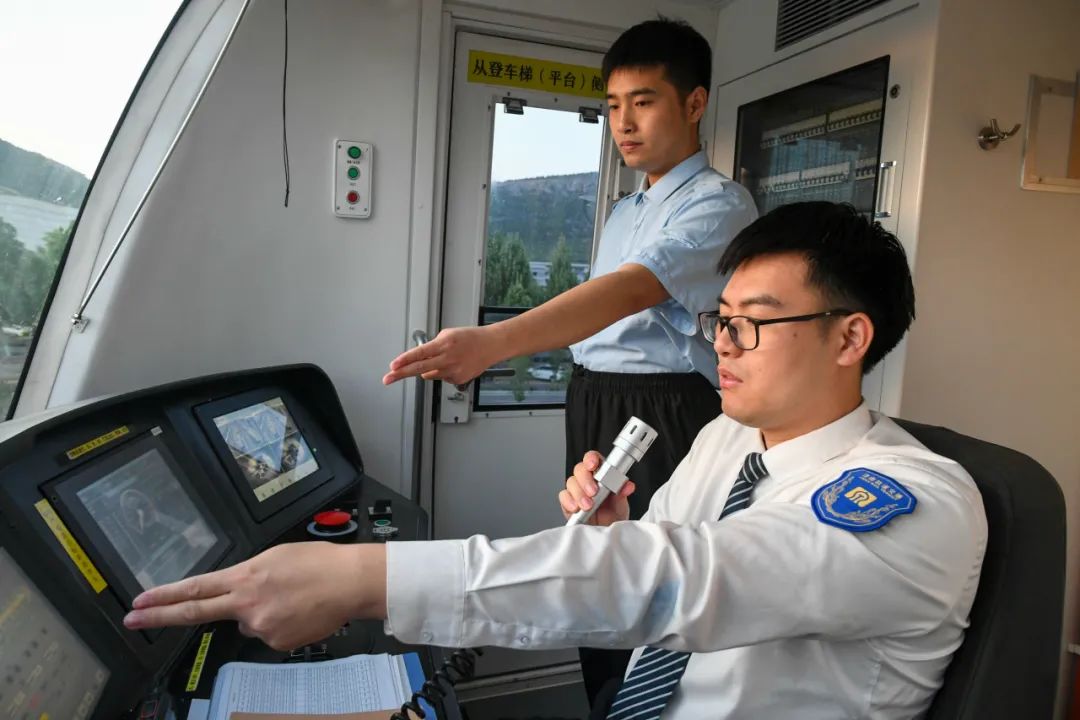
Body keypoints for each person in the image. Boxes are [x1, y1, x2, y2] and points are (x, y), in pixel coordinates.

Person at [125, 202, 987, 719]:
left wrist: (363, 580)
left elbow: (682, 580)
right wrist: (615, 531)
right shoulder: (730, 439)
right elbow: (654, 563)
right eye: (719, 319)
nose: (723, 344)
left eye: (751, 324)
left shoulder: (915, 502)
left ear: (850, 337)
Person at [383, 18, 757, 700]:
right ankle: (604, 702)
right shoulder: (624, 210)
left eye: (643, 101)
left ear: (694, 103)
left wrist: (493, 342)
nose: (624, 123)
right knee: (593, 565)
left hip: (662, 407)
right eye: (613, 106)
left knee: (650, 582)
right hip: (597, 399)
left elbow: (628, 291)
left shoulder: (718, 205)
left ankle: (646, 703)